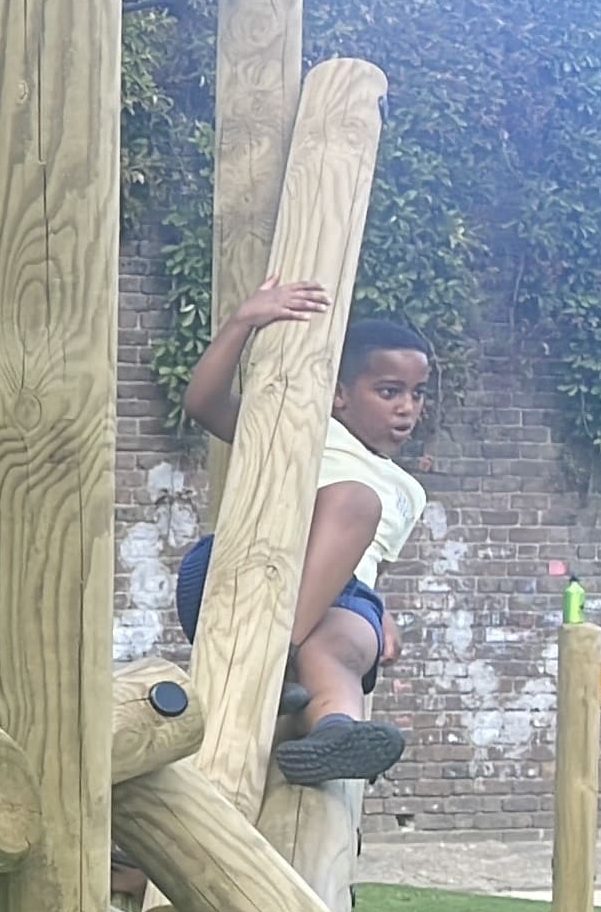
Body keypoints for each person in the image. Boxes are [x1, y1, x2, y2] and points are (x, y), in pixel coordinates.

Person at [172, 286, 432, 784]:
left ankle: (335, 732)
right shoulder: (306, 428)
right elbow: (204, 403)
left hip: (337, 600)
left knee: (346, 643)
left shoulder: (409, 493)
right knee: (357, 502)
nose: (407, 408)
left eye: (417, 394)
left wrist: (385, 617)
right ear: (340, 395)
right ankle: (276, 657)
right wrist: (241, 322)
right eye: (389, 391)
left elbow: (364, 566)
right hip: (246, 565)